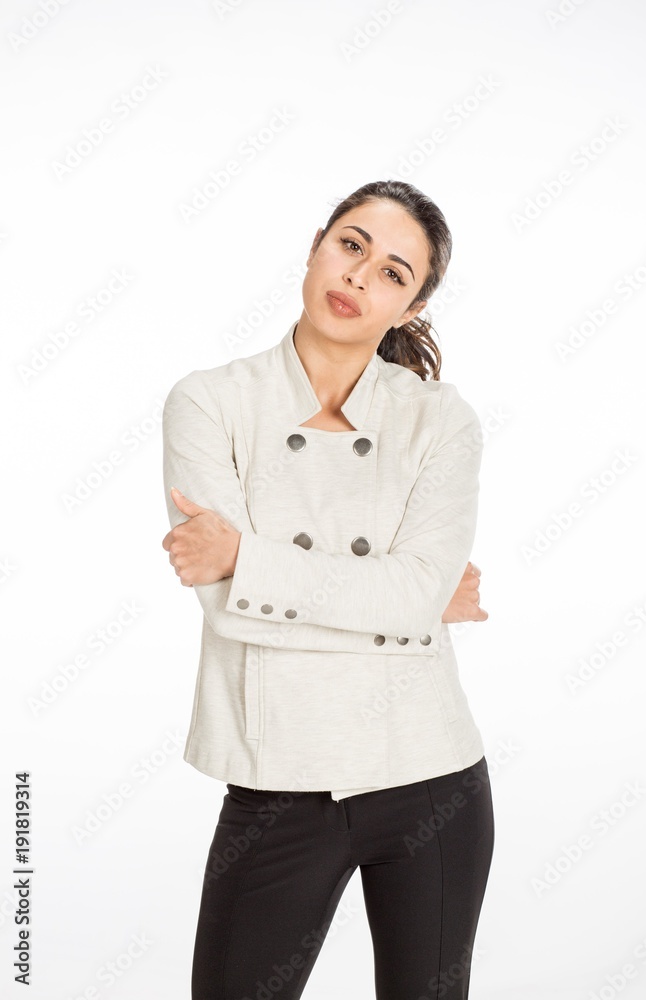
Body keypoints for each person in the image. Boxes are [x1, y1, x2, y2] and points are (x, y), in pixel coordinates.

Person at [161, 179, 494, 1000]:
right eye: (350, 245)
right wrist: (410, 606)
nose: (357, 277)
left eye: (392, 273)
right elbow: (229, 610)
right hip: (278, 783)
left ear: (412, 308)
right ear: (316, 246)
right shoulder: (210, 402)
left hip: (432, 776)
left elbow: (406, 593)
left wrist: (251, 560)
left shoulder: (440, 420)